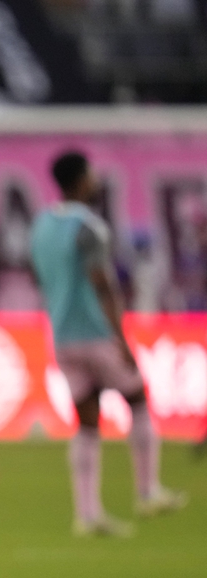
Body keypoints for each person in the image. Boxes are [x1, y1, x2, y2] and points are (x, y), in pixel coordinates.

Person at [30, 151, 186, 537]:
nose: (95, 180)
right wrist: (120, 337)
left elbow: (41, 277)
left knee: (86, 423)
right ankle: (147, 490)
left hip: (62, 335)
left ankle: (86, 514)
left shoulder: (42, 225)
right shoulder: (90, 227)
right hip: (95, 333)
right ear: (80, 180)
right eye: (91, 174)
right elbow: (102, 284)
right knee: (137, 398)